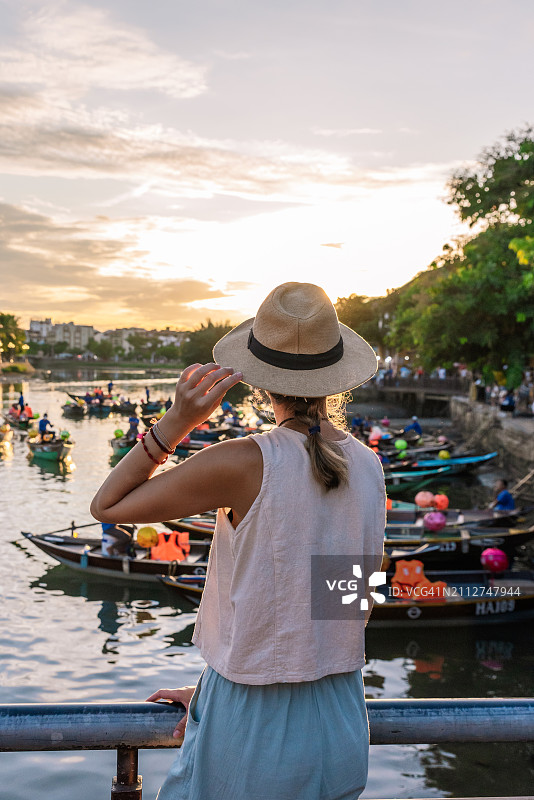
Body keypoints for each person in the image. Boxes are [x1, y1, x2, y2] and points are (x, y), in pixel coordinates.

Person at [90, 282, 386, 800]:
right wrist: (214, 692)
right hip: (340, 712)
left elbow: (109, 506)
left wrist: (179, 421)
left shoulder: (244, 461)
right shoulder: (368, 464)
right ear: (333, 380)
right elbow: (344, 606)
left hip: (255, 723)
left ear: (258, 379)